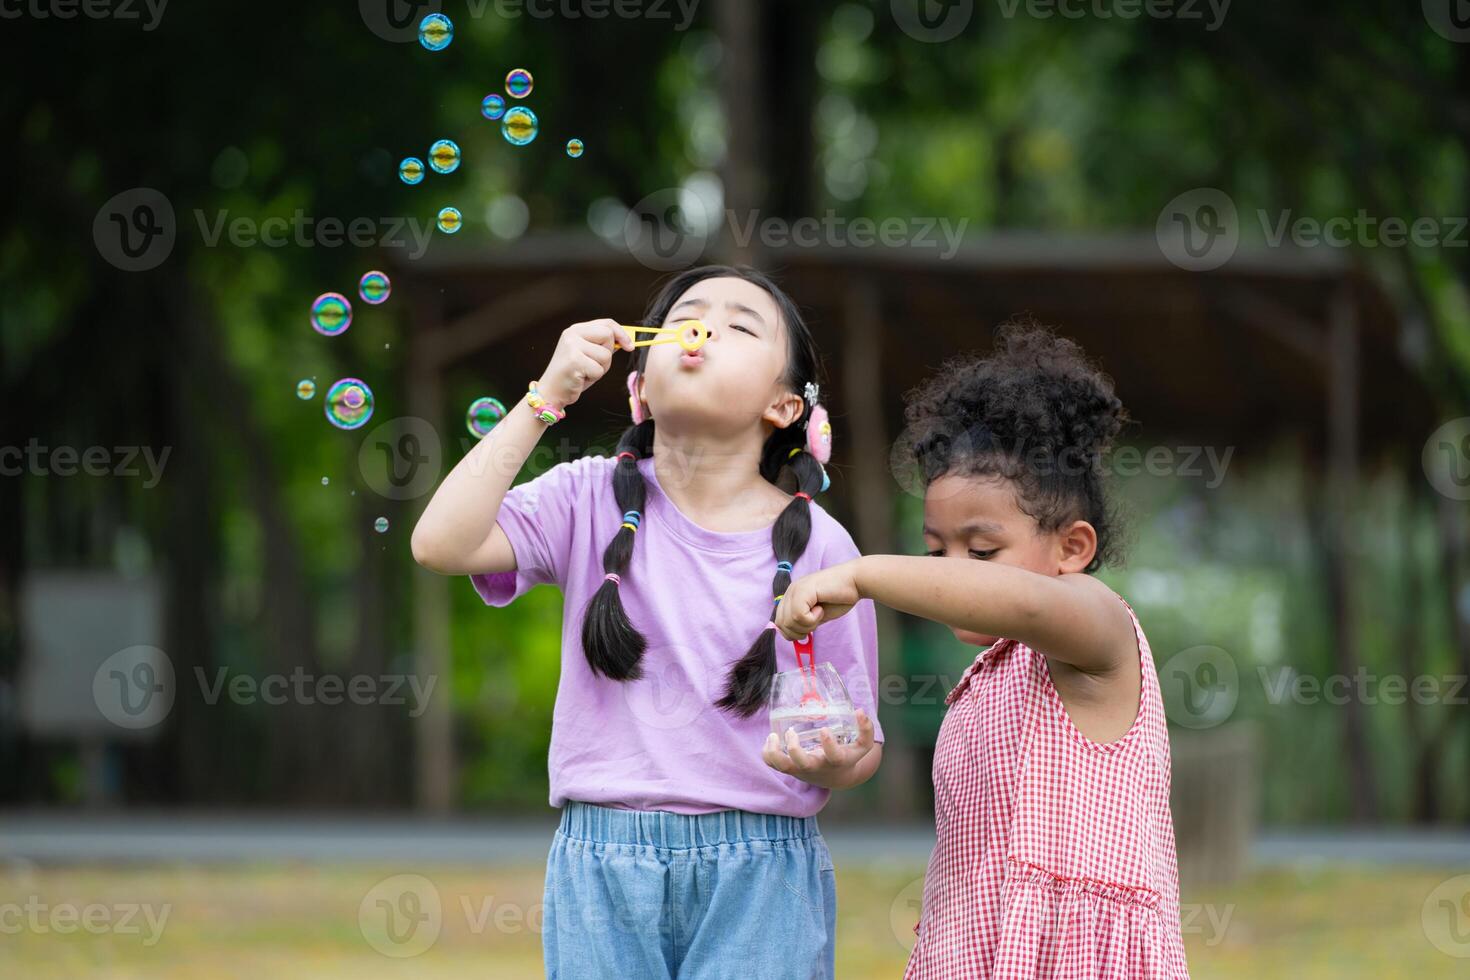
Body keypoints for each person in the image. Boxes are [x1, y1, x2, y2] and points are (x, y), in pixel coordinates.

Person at [412, 265, 884, 980]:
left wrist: (840, 757)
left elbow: (863, 740)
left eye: (741, 325)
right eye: (687, 315)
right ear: (638, 383)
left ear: (786, 406)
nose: (704, 328)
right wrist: (546, 398)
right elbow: (439, 544)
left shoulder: (824, 546)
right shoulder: (583, 497)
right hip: (600, 862)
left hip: (763, 869)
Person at [774, 322, 1190, 978]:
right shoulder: (986, 678)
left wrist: (861, 575)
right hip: (978, 952)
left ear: (1072, 549)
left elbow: (1017, 602)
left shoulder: (1096, 630)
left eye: (983, 550)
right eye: (938, 550)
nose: (955, 569)